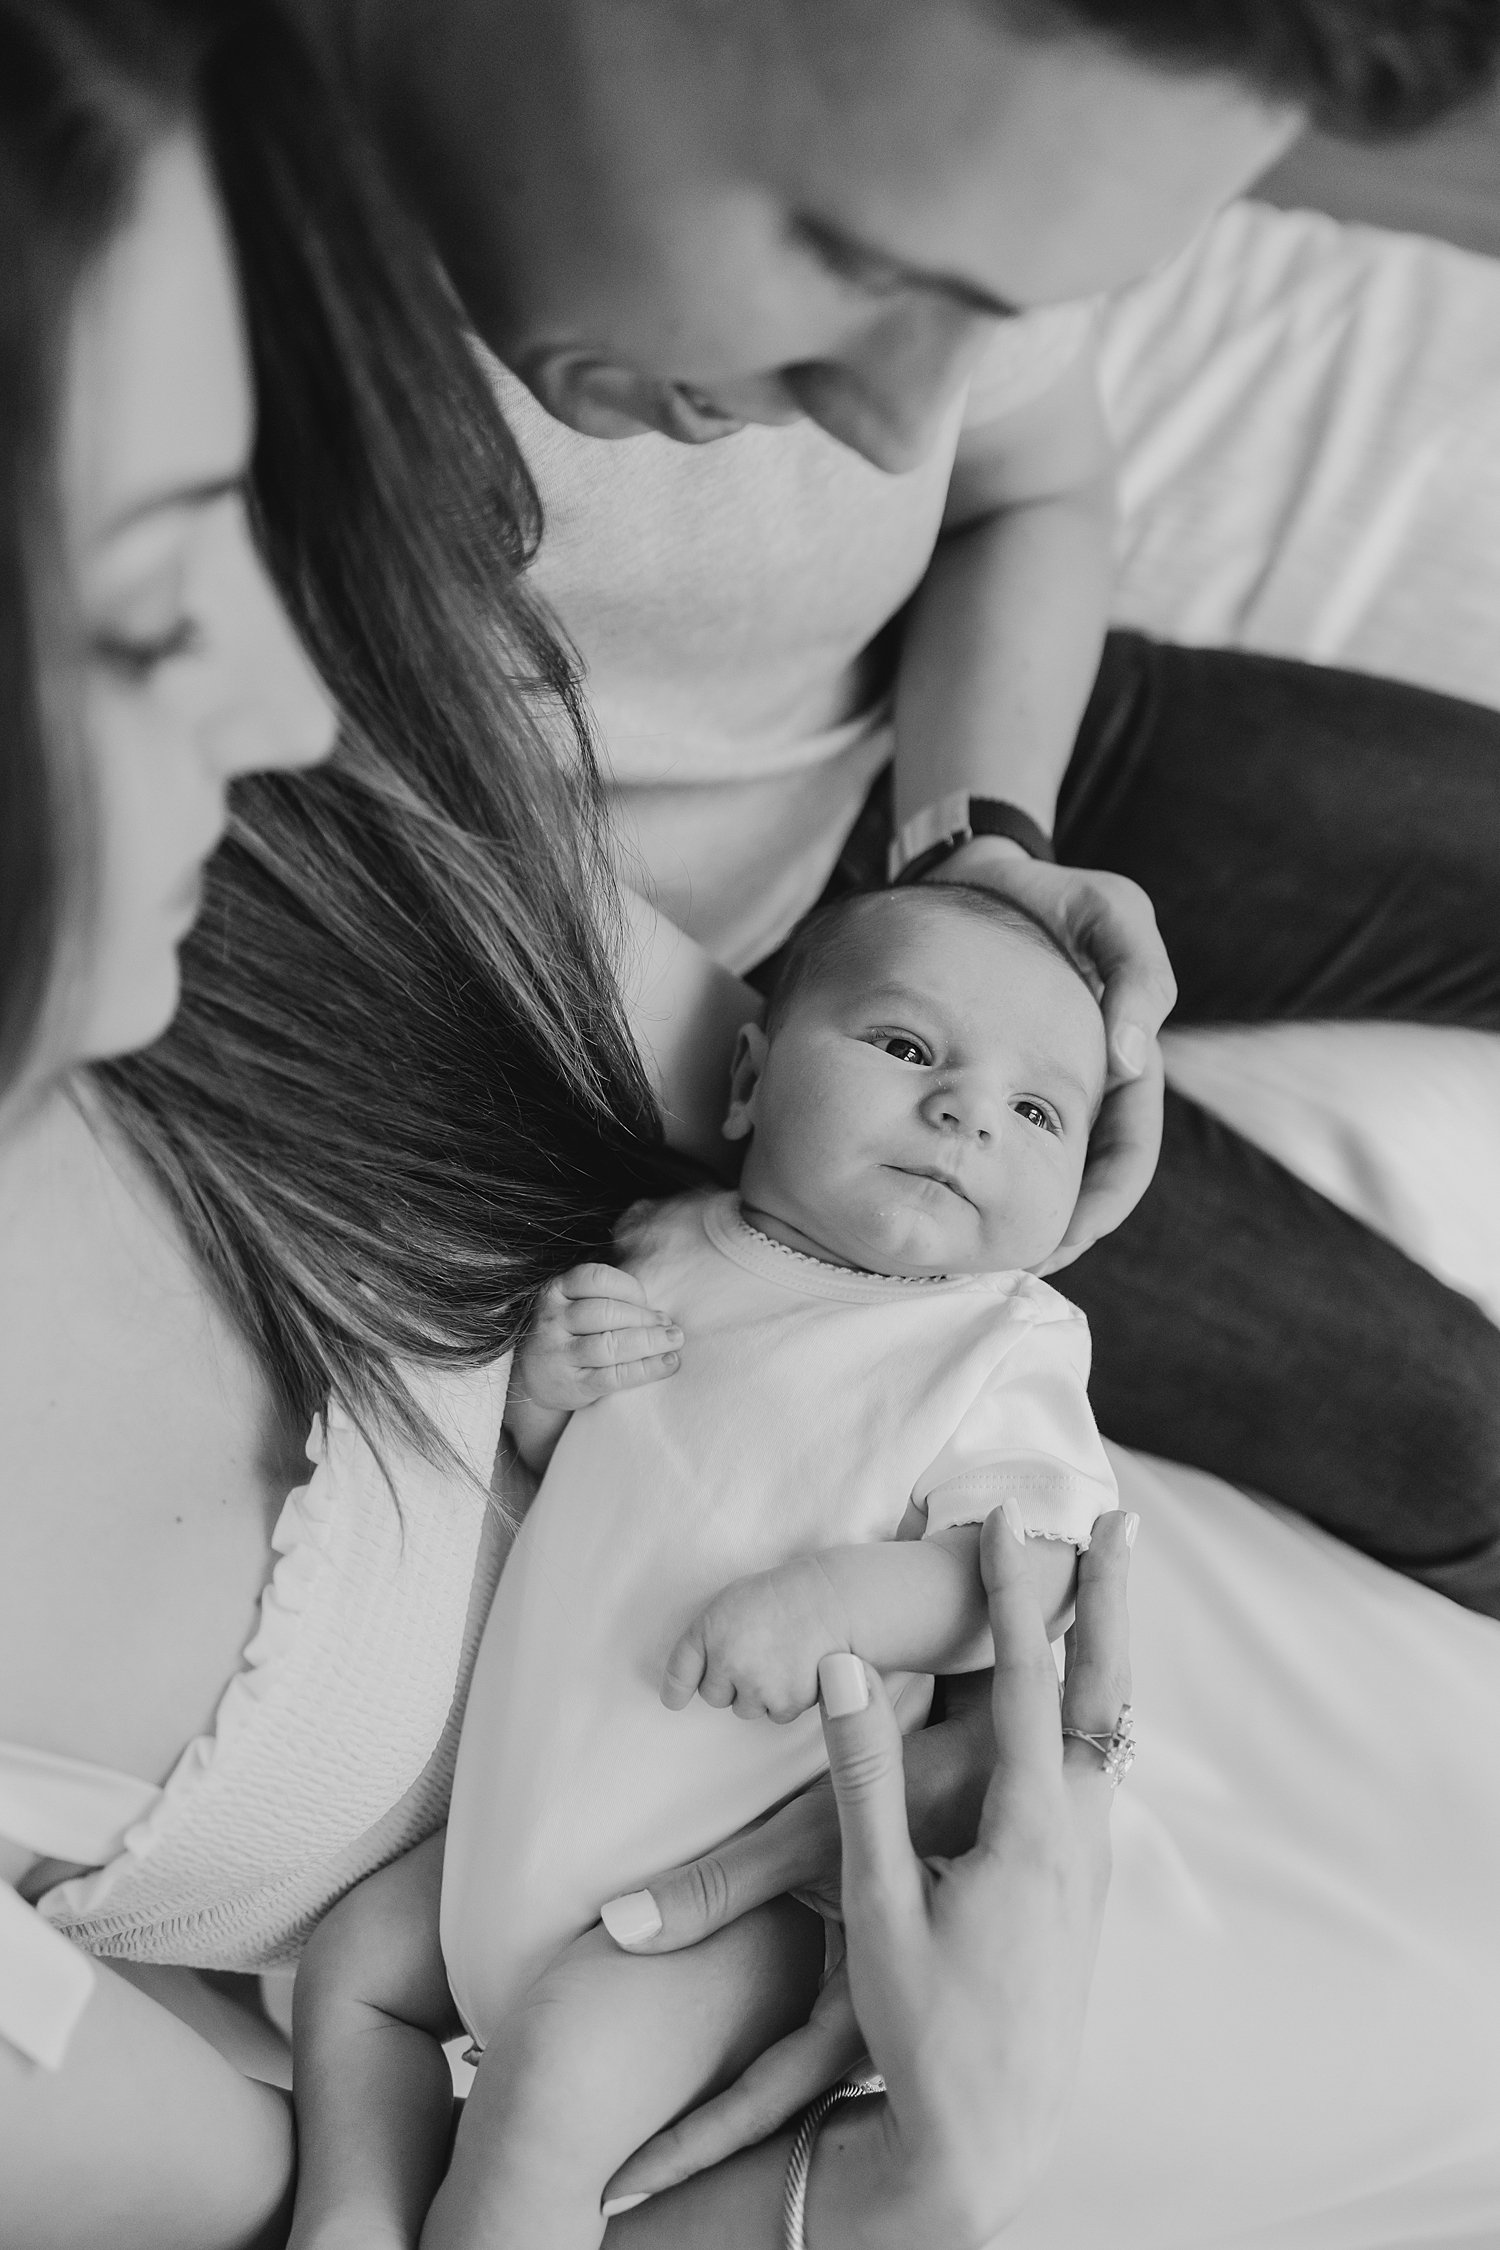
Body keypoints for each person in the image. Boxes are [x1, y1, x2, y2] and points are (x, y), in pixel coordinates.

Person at [0, 4, 1129, 2244]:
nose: (276, 687)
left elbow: (908, 1265)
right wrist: (936, 2190)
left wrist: (983, 887)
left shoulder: (330, 803)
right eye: (141, 606)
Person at [293, 0, 1500, 1605]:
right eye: (864, 263)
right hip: (673, 1034)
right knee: (1461, 1444)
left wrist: (980, 843)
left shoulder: (961, 154)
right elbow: (402, 937)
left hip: (916, 736)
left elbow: (1021, 487)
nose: (898, 424)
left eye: (989, 313)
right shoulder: (160, 345)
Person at [287, 883, 1122, 2248]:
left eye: (1037, 1112)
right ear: (747, 1078)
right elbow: (585, 1480)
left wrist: (844, 1601)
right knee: (357, 1969)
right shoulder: (663, 1246)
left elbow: (1035, 1575)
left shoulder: (1001, 1339)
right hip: (513, 1825)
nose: (969, 1110)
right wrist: (547, 1386)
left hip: (736, 1887)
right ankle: (353, 2212)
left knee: (551, 2091)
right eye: (909, 1048)